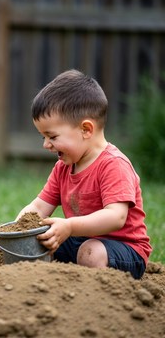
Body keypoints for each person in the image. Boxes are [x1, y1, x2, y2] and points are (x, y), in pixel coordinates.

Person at [16, 69, 151, 279]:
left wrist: (69, 226)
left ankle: (96, 297)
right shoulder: (63, 167)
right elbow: (40, 206)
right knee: (41, 239)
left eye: (51, 136)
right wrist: (18, 229)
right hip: (82, 240)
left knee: (91, 252)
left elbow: (116, 217)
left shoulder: (113, 165)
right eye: (42, 137)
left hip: (124, 249)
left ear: (86, 129)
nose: (45, 145)